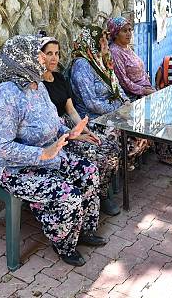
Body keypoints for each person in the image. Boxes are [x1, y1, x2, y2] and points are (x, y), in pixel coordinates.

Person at [0, 34, 107, 267]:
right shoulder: (6, 95)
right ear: (22, 60)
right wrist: (42, 154)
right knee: (68, 195)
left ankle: (83, 229)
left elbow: (52, 121)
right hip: (14, 168)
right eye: (39, 55)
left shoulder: (37, 85)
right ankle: (64, 243)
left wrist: (71, 132)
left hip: (47, 155)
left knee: (88, 171)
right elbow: (1, 147)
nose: (44, 59)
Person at [39, 34, 122, 216]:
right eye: (49, 53)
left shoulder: (59, 78)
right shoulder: (37, 85)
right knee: (95, 154)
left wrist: (86, 131)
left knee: (108, 147)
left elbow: (71, 110)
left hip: (70, 125)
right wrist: (75, 134)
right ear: (40, 56)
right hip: (56, 134)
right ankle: (95, 198)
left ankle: (101, 192)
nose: (54, 58)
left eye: (57, 53)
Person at [107, 16, 172, 168]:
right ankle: (164, 154)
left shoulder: (127, 48)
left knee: (170, 104)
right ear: (115, 33)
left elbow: (142, 72)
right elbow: (123, 82)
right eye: (124, 31)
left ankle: (166, 147)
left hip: (144, 90)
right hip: (132, 95)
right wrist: (145, 90)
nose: (129, 33)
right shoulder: (115, 52)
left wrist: (150, 88)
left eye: (130, 30)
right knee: (160, 111)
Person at [69, 25, 150, 171]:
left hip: (113, 112)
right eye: (103, 41)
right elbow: (91, 103)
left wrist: (126, 102)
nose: (107, 44)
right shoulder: (82, 66)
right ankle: (121, 164)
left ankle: (126, 162)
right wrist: (118, 110)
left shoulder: (102, 60)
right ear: (92, 43)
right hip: (94, 118)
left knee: (143, 126)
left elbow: (116, 86)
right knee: (127, 134)